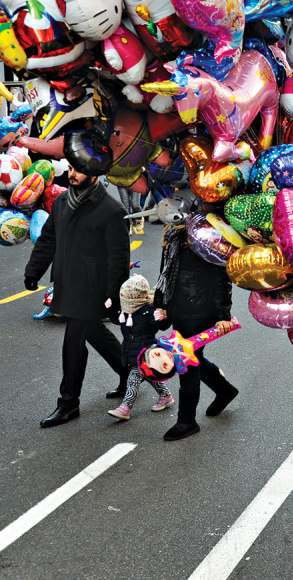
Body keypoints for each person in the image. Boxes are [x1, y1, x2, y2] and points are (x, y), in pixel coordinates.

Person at [24, 163, 131, 428]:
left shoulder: (111, 210)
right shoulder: (61, 202)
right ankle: (130, 374)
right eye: (70, 168)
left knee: (73, 341)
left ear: (94, 173)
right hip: (66, 282)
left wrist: (112, 296)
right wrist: (33, 272)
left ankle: (68, 403)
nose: (72, 174)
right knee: (94, 333)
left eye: (78, 170)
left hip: (93, 289)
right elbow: (49, 239)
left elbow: (118, 258)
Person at [154, 218, 240, 441]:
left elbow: (222, 272)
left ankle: (186, 421)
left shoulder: (206, 230)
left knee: (187, 359)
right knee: (194, 356)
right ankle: (224, 390)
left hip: (200, 308)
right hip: (179, 305)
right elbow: (165, 271)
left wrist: (223, 315)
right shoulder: (173, 231)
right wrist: (161, 303)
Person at [107, 274, 174, 420]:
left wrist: (163, 317)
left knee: (133, 379)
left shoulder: (148, 312)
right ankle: (166, 396)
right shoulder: (125, 312)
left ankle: (125, 408)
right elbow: (116, 320)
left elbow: (161, 326)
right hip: (131, 350)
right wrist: (110, 308)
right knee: (150, 376)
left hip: (146, 354)